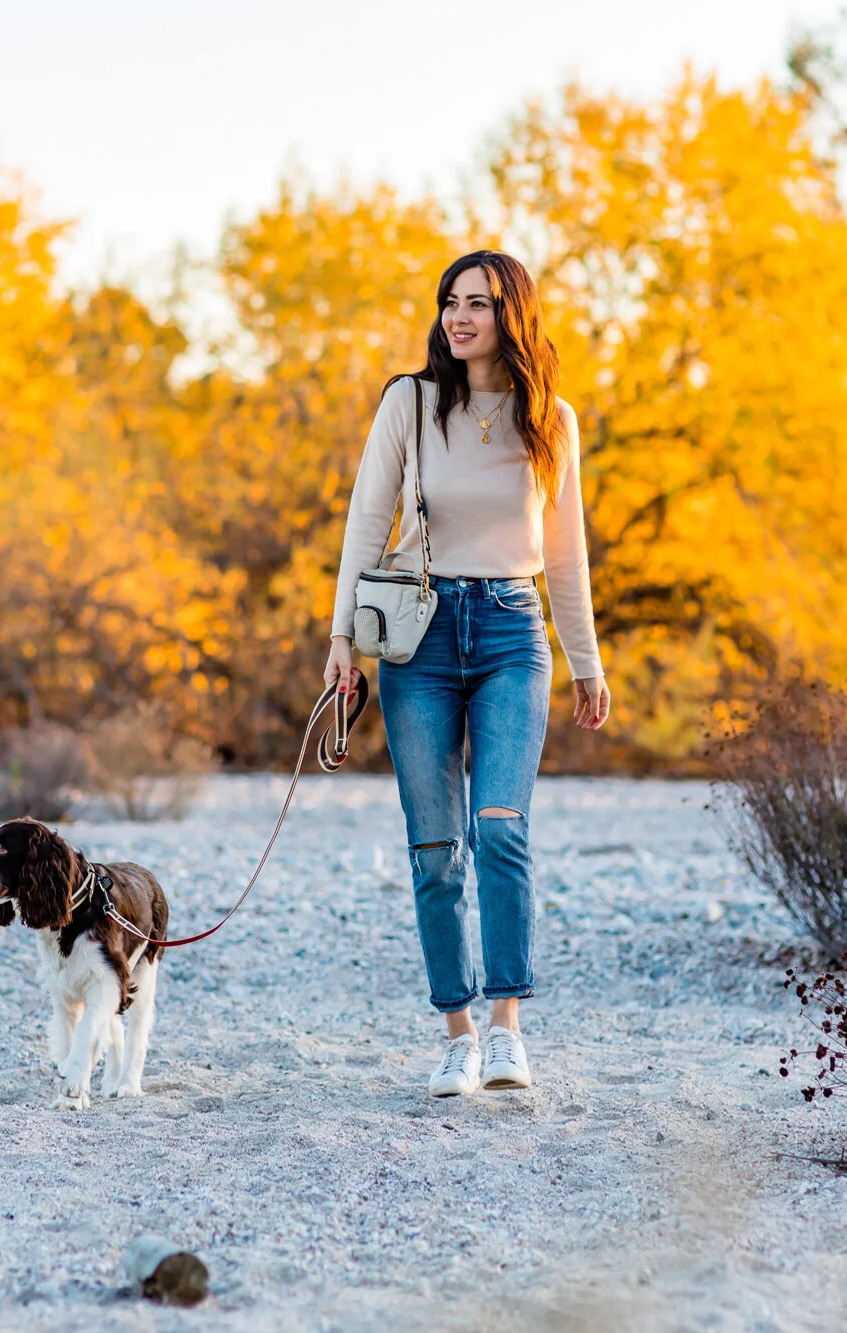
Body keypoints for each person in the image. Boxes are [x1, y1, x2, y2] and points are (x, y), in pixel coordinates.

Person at [324, 249, 609, 1098]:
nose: (459, 317)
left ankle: (507, 1027)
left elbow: (566, 554)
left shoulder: (551, 420)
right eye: (451, 302)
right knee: (436, 849)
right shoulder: (409, 403)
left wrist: (587, 661)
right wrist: (342, 638)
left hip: (514, 633)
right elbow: (366, 523)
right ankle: (458, 1033)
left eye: (478, 303)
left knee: (502, 828)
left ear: (511, 314)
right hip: (419, 636)